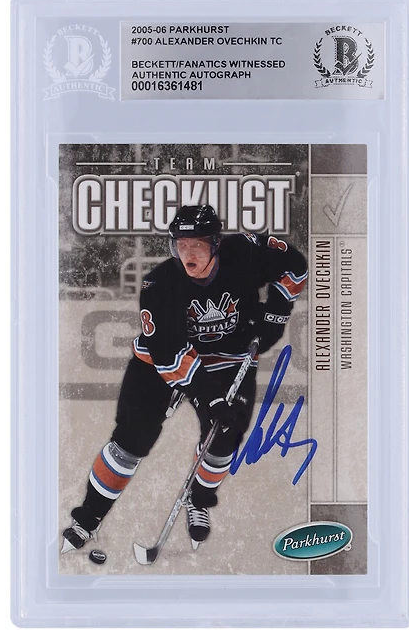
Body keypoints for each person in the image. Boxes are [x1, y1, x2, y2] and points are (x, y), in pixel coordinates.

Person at [62, 204, 308, 554]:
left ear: (216, 243)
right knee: (131, 441)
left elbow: (294, 264)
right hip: (160, 362)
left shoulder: (245, 253)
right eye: (181, 244)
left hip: (227, 357)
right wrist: (212, 398)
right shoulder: (159, 284)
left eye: (197, 245)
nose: (188, 253)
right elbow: (170, 355)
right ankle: (87, 519)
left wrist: (276, 314)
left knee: (224, 437)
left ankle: (199, 500)